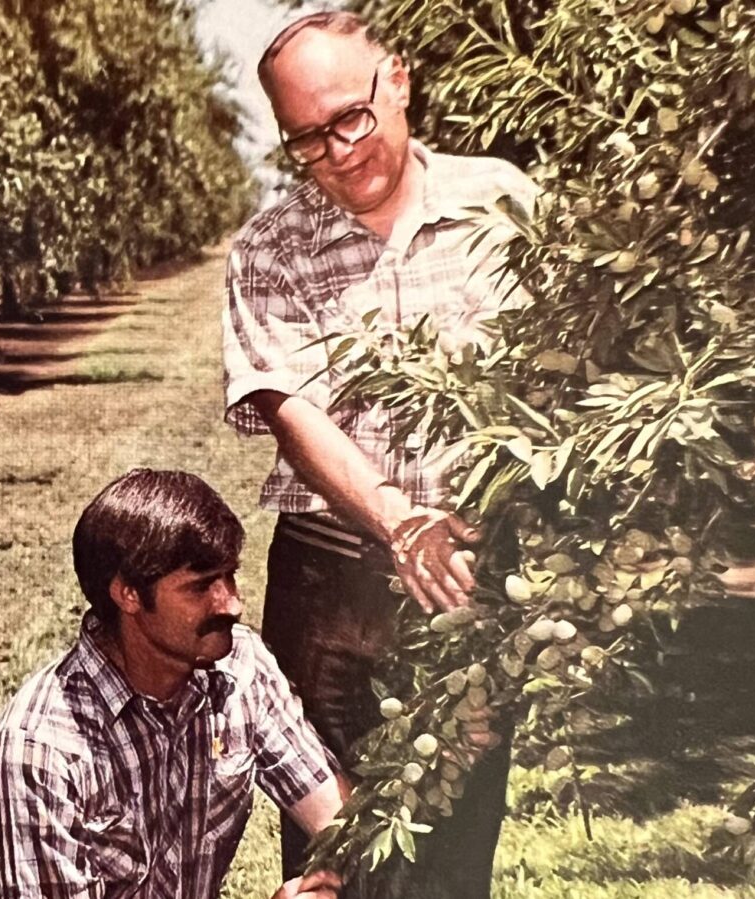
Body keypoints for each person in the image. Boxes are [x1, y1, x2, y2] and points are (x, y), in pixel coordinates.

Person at [222, 11, 538, 898]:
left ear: (396, 79)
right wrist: (400, 521)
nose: (337, 151)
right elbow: (286, 403)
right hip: (333, 585)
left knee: (453, 848)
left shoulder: (504, 202)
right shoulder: (271, 246)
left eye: (348, 119)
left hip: (477, 571)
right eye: (306, 140)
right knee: (338, 856)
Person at [0, 469, 344, 899]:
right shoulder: (37, 752)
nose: (233, 604)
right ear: (128, 594)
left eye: (230, 575)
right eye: (201, 586)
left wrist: (331, 876)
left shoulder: (242, 666)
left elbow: (338, 819)